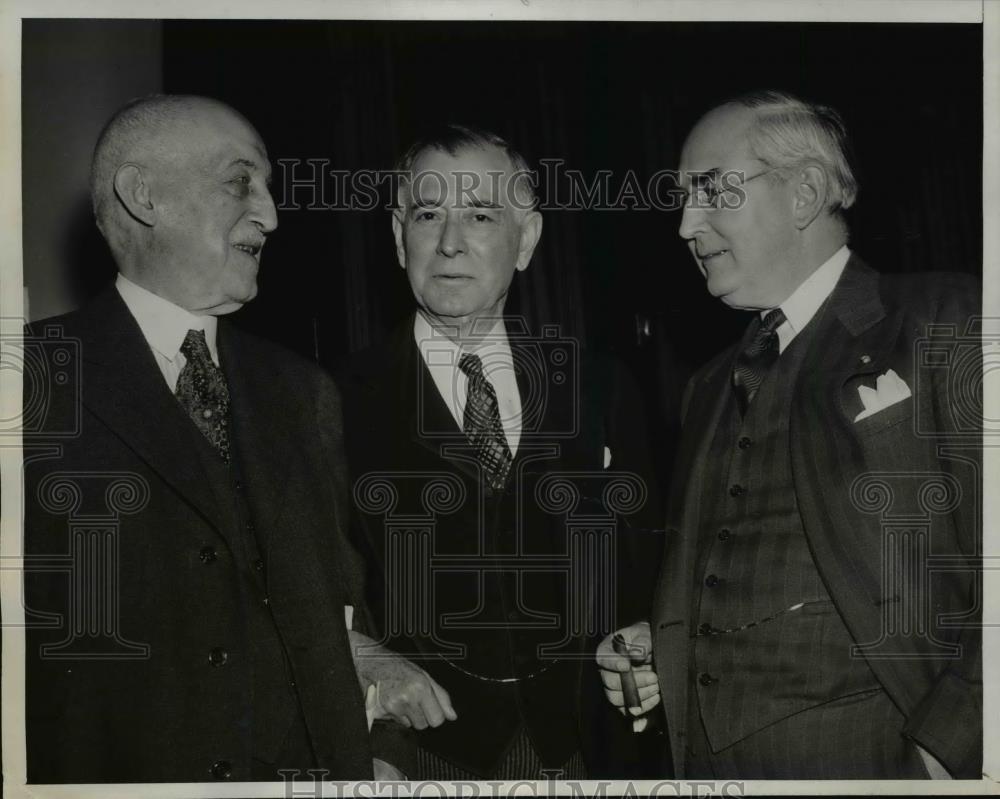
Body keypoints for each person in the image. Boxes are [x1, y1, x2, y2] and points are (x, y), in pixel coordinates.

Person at [23, 94, 410, 783]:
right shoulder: (29, 380)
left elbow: (348, 610)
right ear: (145, 195)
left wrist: (379, 750)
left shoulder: (303, 390)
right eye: (240, 181)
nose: (270, 212)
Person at [597, 90, 981, 780]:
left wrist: (954, 745)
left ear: (803, 192)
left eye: (710, 191)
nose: (686, 224)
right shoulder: (707, 384)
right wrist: (665, 644)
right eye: (683, 198)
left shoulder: (946, 317)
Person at [338, 125, 664, 780]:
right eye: (428, 214)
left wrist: (653, 643)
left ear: (528, 239)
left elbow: (652, 560)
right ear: (398, 233)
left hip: (586, 749)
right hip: (420, 751)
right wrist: (360, 658)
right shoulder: (331, 400)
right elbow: (300, 589)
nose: (451, 241)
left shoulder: (599, 386)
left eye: (481, 214)